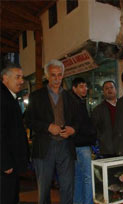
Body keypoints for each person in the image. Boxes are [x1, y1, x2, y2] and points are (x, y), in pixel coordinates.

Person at [25, 59, 78, 204]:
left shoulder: (70, 97)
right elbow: (28, 120)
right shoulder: (36, 96)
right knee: (44, 189)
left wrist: (72, 129)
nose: (57, 79)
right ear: (47, 76)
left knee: (68, 187)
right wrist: (48, 126)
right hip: (44, 147)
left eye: (59, 75)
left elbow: (79, 122)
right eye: (53, 75)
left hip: (66, 147)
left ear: (63, 75)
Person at [1, 63, 29, 204]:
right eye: (17, 77)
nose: (21, 81)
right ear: (5, 78)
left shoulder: (10, 97)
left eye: (22, 77)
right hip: (6, 165)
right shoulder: (2, 97)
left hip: (11, 163)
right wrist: (5, 163)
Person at [71, 77, 96, 204]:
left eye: (85, 86)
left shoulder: (81, 102)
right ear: (74, 88)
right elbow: (81, 125)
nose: (84, 89)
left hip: (76, 145)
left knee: (79, 178)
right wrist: (91, 135)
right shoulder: (75, 103)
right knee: (87, 177)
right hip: (81, 145)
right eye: (81, 86)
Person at [92, 80, 117, 158]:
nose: (109, 90)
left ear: (115, 89)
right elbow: (94, 130)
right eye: (106, 88)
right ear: (103, 92)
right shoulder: (98, 110)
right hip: (107, 150)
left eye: (111, 87)